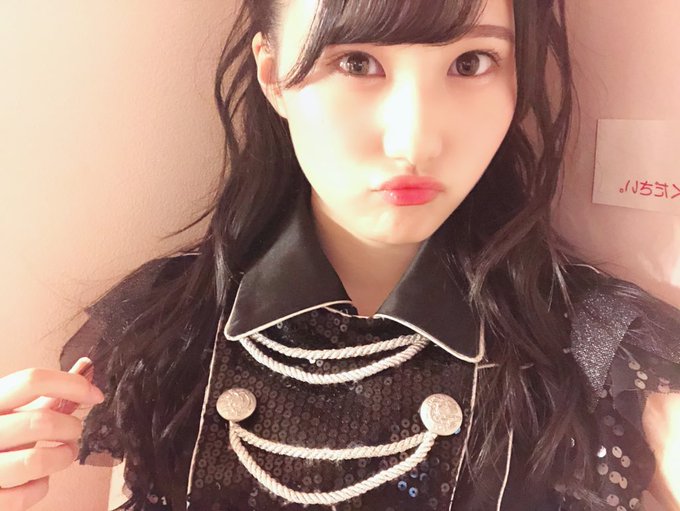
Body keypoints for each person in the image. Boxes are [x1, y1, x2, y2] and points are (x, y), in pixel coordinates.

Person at [1, 0, 679, 509]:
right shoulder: (160, 332)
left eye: (471, 62)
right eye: (357, 62)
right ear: (273, 76)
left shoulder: (603, 354)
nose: (415, 140)